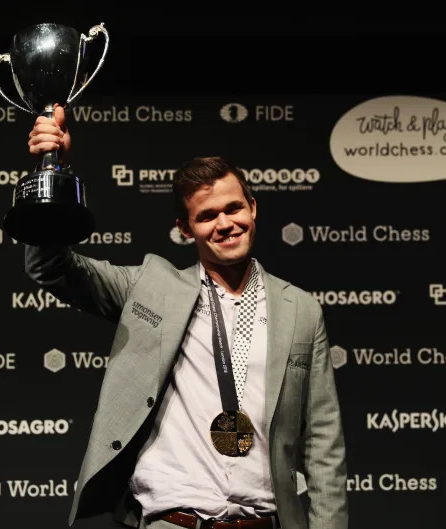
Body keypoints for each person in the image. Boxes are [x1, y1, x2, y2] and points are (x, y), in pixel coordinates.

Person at [25, 105, 348, 529]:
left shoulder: (300, 308)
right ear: (185, 228)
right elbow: (50, 267)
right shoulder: (150, 288)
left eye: (233, 208)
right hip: (172, 521)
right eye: (207, 216)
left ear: (253, 208)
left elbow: (324, 443)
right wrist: (49, 171)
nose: (225, 224)